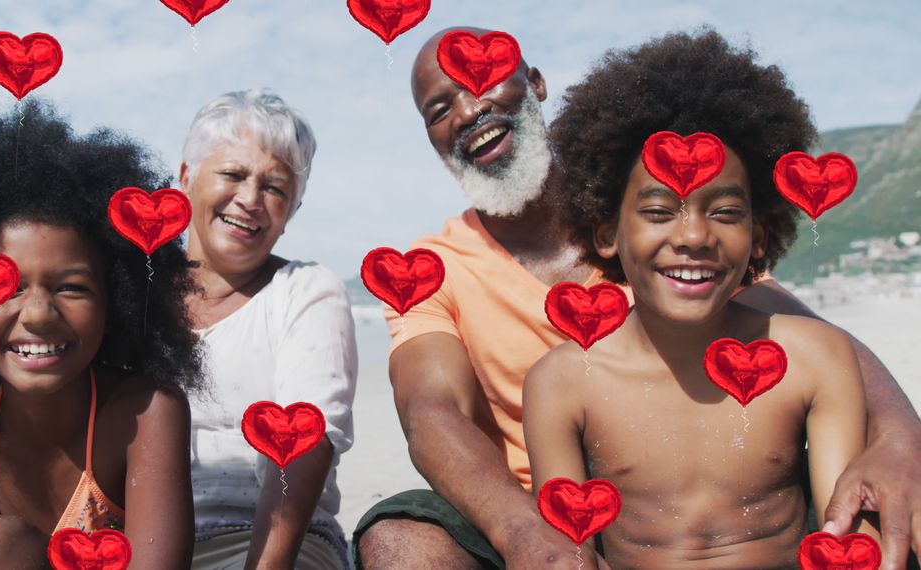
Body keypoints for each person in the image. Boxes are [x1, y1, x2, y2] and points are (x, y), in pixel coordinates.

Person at [353, 26, 921, 570]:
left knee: (889, 508)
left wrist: (899, 441)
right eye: (439, 108)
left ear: (537, 83)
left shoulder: (670, 208)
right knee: (401, 541)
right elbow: (431, 412)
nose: (470, 110)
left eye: (486, 79)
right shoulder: (431, 268)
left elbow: (816, 346)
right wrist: (528, 532)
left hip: (741, 499)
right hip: (532, 512)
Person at [525, 30, 877, 569]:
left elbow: (844, 530)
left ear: (758, 238)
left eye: (726, 213)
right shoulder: (562, 383)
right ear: (606, 234)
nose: (693, 236)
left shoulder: (815, 359)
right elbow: (569, 553)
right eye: (660, 211)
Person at [0, 95, 203, 568]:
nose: (40, 314)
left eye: (71, 287)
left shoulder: (145, 414)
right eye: (6, 287)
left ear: (119, 303)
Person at [180, 89, 357, 570]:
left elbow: (307, 440)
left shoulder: (305, 290)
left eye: (275, 188)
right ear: (186, 178)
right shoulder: (134, 291)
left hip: (272, 543)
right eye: (233, 174)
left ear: (292, 212)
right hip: (145, 540)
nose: (250, 200)